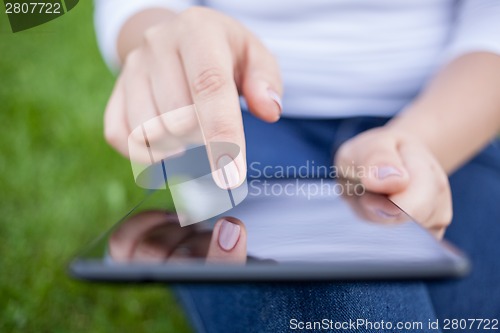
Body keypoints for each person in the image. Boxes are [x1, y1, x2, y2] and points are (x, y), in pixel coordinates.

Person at [94, 0, 500, 332]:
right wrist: (170, 46)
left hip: (452, 109)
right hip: (236, 117)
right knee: (357, 311)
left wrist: (422, 141)